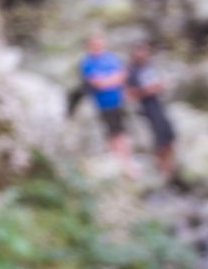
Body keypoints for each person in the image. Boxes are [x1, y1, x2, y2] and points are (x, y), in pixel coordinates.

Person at [73, 33, 134, 174]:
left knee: (122, 131)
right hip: (103, 103)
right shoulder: (87, 62)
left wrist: (109, 80)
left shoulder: (111, 57)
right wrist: (112, 80)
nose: (98, 46)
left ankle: (125, 161)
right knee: (114, 132)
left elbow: (122, 75)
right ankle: (123, 164)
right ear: (89, 46)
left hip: (118, 100)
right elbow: (97, 82)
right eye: (94, 44)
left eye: (99, 43)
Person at [127, 42, 177, 181]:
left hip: (159, 104)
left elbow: (158, 82)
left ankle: (170, 168)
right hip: (147, 108)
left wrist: (161, 85)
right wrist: (147, 91)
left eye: (145, 52)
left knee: (170, 136)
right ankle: (162, 170)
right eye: (140, 52)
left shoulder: (150, 66)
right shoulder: (131, 71)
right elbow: (129, 93)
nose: (143, 55)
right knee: (159, 140)